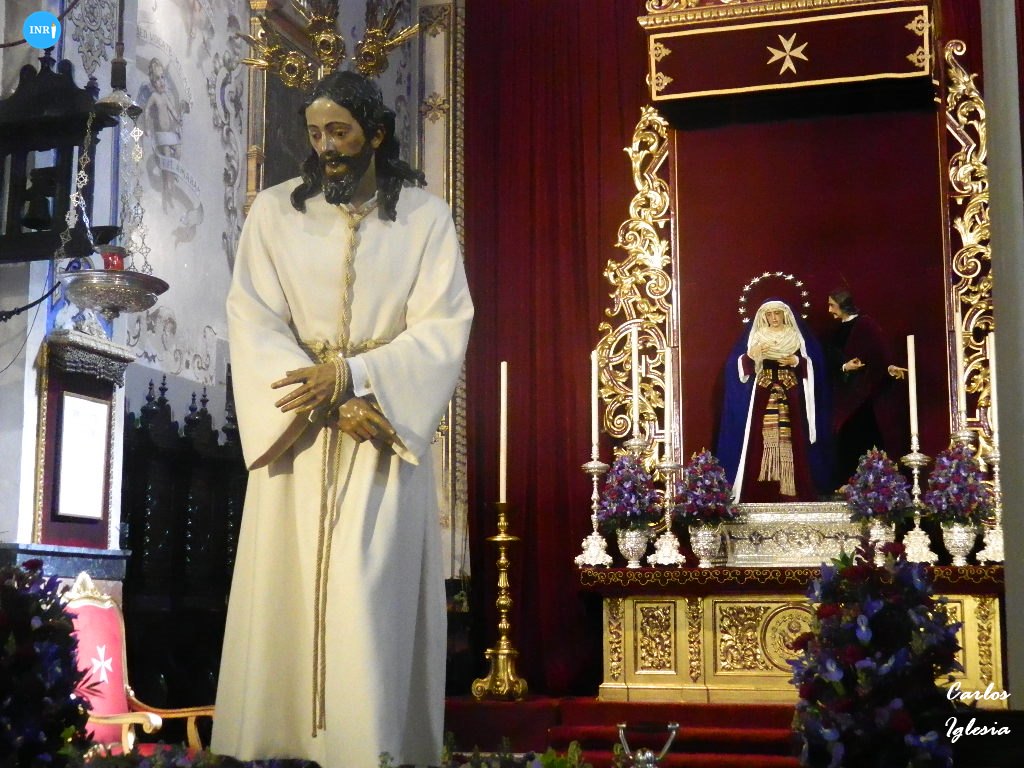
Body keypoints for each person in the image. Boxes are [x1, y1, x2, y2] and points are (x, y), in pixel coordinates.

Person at [211, 70, 474, 768]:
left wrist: (359, 379)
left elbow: (444, 325)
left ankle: (371, 750)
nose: (326, 147)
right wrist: (330, 399)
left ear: (376, 134)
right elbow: (252, 319)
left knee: (365, 596)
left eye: (341, 132)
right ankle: (274, 750)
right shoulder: (275, 213)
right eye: (316, 133)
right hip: (297, 439)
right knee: (286, 597)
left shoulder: (425, 219)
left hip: (380, 438)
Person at [717, 300, 829, 502]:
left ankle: (792, 489)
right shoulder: (758, 336)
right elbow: (740, 365)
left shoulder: (794, 336)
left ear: (784, 314)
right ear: (764, 317)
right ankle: (761, 489)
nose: (774, 318)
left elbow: (813, 365)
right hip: (764, 389)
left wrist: (796, 361)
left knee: (792, 435)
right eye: (769, 314)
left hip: (790, 390)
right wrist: (753, 356)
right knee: (760, 436)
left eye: (777, 313)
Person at [826, 289, 904, 488]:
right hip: (844, 395)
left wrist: (889, 368)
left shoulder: (865, 325)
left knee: (864, 434)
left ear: (843, 305)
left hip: (863, 395)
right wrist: (845, 366)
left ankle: (871, 482)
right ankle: (848, 481)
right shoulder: (836, 331)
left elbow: (879, 353)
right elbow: (831, 359)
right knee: (846, 436)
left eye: (832, 305)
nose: (829, 310)